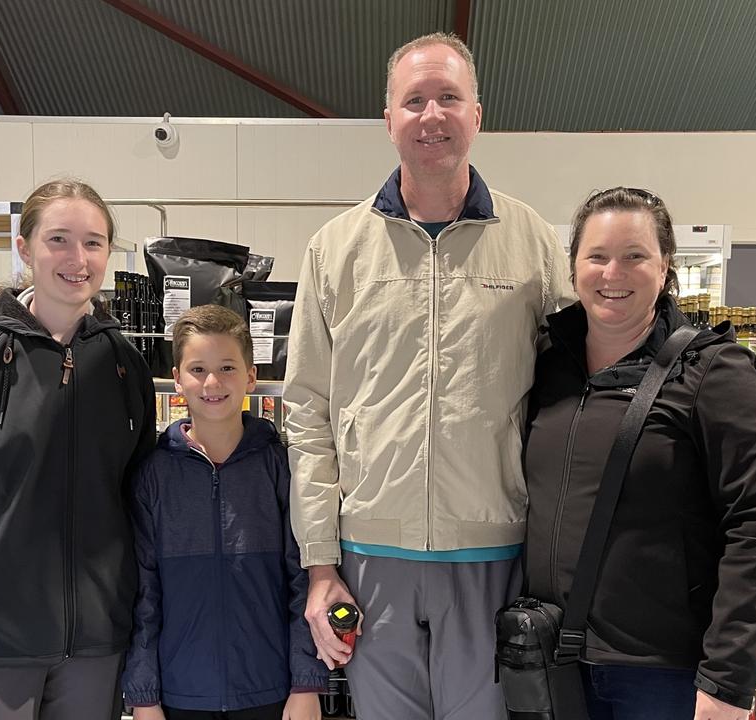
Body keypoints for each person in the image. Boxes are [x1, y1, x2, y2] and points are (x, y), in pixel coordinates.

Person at [283, 32, 575, 719]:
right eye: (414, 100)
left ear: (478, 114)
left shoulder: (531, 242)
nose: (431, 115)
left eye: (449, 97)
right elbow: (307, 412)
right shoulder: (335, 251)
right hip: (369, 557)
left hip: (492, 552)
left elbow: (567, 400)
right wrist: (323, 566)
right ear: (388, 120)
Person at [522, 187, 756, 720]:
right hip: (549, 656)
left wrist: (727, 682)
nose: (612, 273)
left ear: (666, 267)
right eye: (596, 256)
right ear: (572, 266)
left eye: (635, 256)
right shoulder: (546, 363)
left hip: (661, 674)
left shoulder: (714, 372)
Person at [0, 179, 156, 720]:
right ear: (24, 248)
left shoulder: (122, 363)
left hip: (94, 637)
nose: (78, 258)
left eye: (93, 243)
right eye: (59, 240)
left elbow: (138, 496)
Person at [122, 305, 327, 720]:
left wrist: (306, 682)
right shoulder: (153, 476)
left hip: (270, 690)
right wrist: (143, 695)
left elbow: (302, 580)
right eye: (198, 369)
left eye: (228, 367)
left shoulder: (279, 469)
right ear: (177, 379)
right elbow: (142, 594)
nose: (212, 382)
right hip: (180, 694)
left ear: (252, 376)